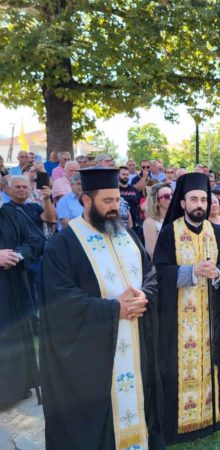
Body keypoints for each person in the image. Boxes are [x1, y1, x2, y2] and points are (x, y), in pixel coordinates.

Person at [40, 167, 165, 449]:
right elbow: (59, 301)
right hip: (94, 356)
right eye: (107, 201)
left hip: (135, 343)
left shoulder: (128, 235)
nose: (115, 207)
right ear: (86, 200)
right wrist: (112, 310)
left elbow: (150, 275)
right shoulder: (64, 244)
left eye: (117, 200)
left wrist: (144, 296)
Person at [153, 172, 220, 444]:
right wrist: (191, 272)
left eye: (203, 199)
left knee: (211, 366)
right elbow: (159, 273)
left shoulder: (215, 231)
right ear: (183, 203)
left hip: (211, 319)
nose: (199, 204)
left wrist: (218, 273)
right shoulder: (170, 232)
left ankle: (211, 418)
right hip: (178, 322)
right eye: (194, 199)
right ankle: (179, 426)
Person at [0, 203, 43, 409]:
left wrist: (18, 254)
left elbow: (34, 240)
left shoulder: (10, 212)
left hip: (14, 287)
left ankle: (16, 388)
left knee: (14, 335)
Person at [143, 182, 172, 258]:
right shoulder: (150, 223)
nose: (171, 198)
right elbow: (152, 252)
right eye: (166, 196)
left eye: (173, 194)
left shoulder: (178, 220)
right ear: (157, 202)